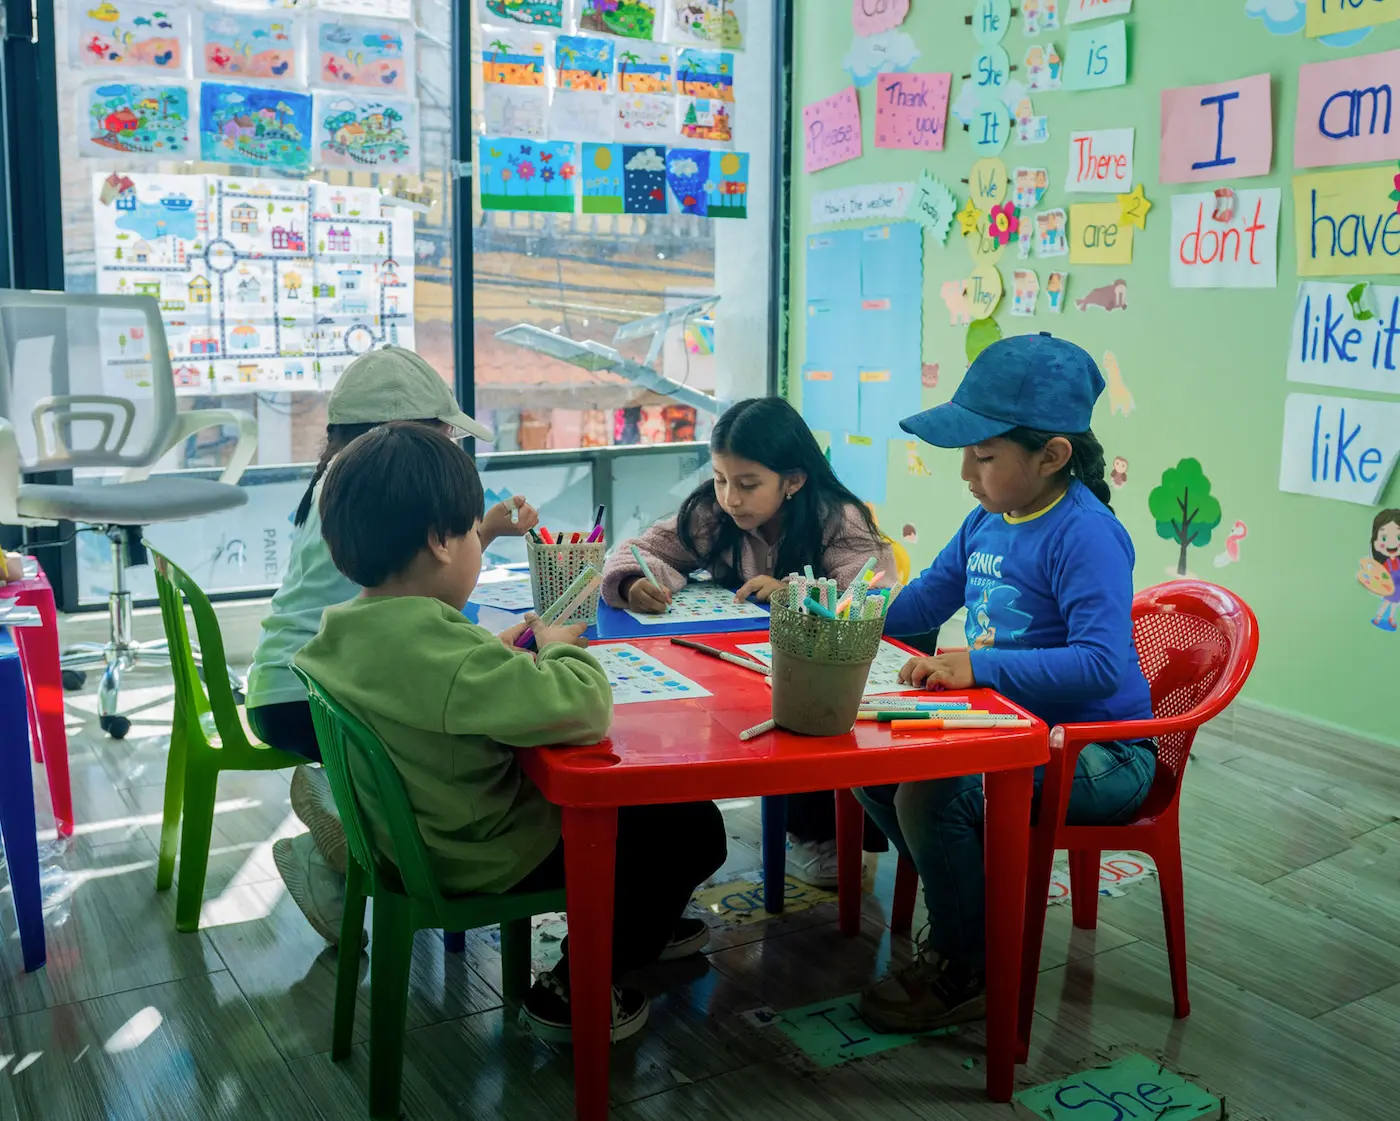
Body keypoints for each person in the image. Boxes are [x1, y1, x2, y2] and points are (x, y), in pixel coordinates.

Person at [296, 423, 727, 1041]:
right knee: (688, 827)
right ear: (441, 541)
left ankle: (637, 923)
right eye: (476, 530)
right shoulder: (449, 660)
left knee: (655, 830)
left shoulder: (347, 632)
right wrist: (554, 648)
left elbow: (437, 682)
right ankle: (579, 983)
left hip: (410, 840)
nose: (479, 542)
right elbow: (583, 707)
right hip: (484, 851)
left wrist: (503, 647)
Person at [856, 332, 1157, 1033]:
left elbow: (1101, 664)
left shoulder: (1085, 535)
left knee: (935, 796)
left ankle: (970, 964)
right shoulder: (985, 519)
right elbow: (922, 603)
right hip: (1010, 732)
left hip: (1097, 751)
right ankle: (972, 901)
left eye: (983, 455)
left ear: (1051, 455)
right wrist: (836, 620)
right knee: (875, 769)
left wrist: (978, 663)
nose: (966, 471)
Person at [245, 347, 539, 943]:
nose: (448, 452)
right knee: (452, 752)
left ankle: (347, 814)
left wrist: (482, 531)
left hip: (292, 680)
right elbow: (417, 566)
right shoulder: (357, 490)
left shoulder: (345, 483)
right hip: (307, 694)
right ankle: (345, 845)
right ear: (402, 438)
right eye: (442, 437)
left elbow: (411, 560)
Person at [601, 396, 897, 887]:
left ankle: (824, 835)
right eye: (720, 480)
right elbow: (639, 549)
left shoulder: (838, 520)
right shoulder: (710, 515)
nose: (730, 498)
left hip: (821, 678)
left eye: (748, 484)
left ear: (794, 480)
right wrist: (636, 581)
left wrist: (792, 593)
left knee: (804, 725)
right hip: (732, 671)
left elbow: (868, 597)